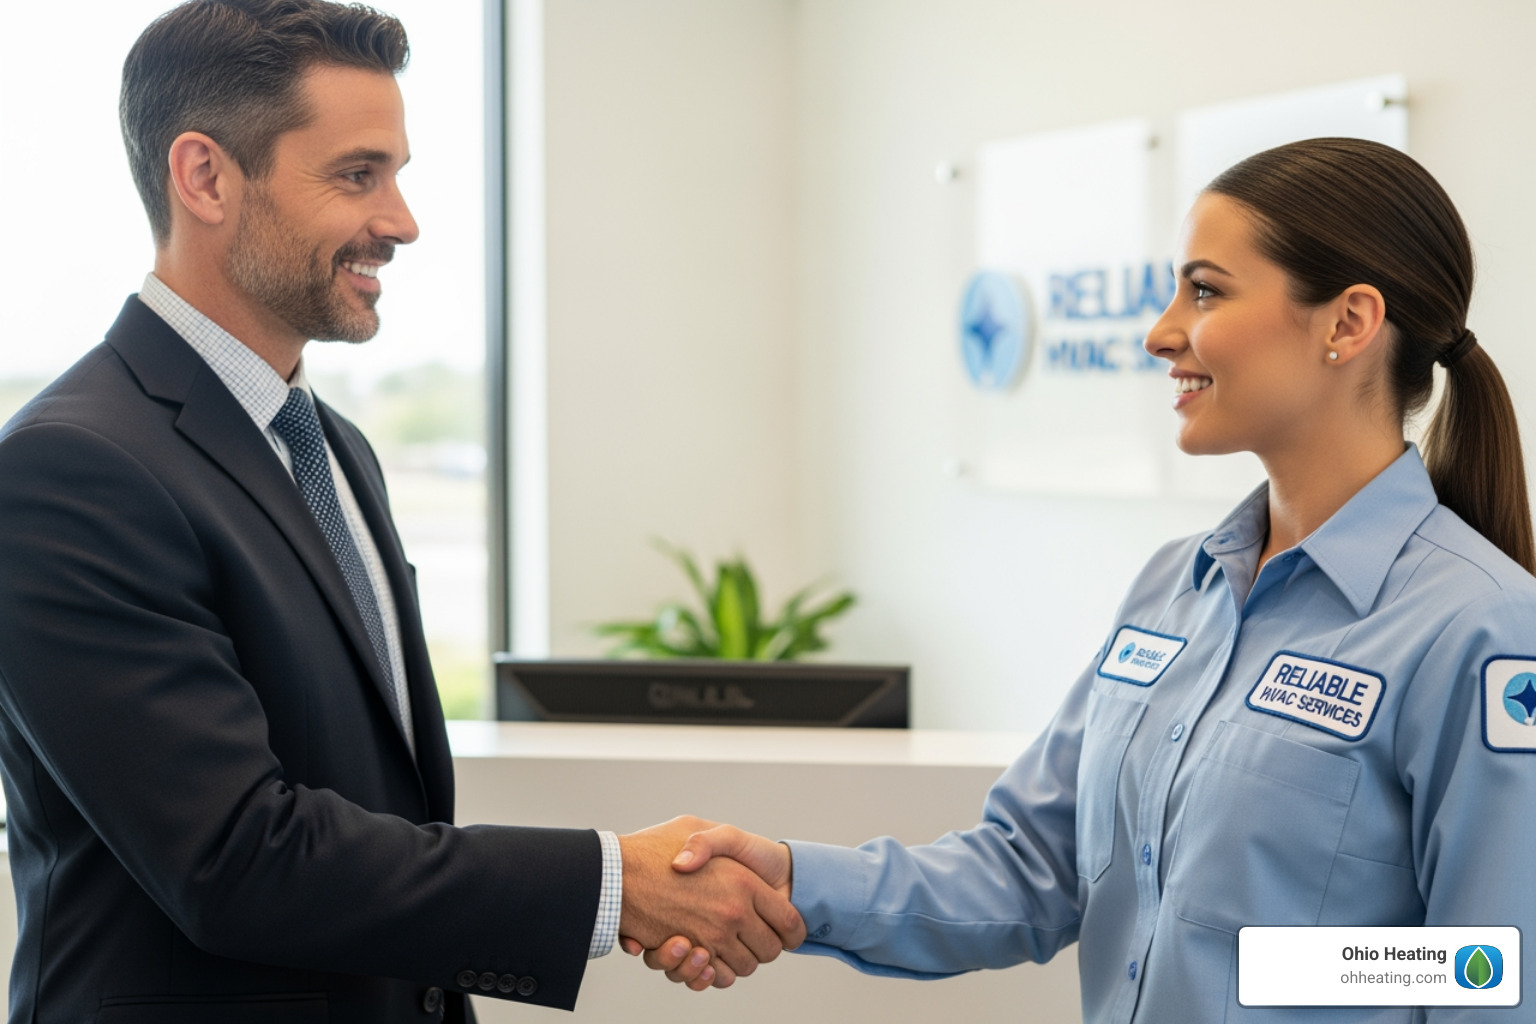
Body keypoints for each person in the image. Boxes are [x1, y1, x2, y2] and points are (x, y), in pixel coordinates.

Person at [0, 2, 799, 1021]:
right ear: (204, 176)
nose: (402, 219)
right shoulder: (71, 468)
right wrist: (614, 885)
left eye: (399, 173)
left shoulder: (332, 447)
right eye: (356, 174)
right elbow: (236, 858)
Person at [637, 138, 1536, 1021]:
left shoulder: (1484, 627)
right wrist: (791, 882)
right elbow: (1031, 868)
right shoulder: (1173, 590)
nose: (1160, 332)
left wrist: (1249, 957)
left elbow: (1488, 970)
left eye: (1206, 290)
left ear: (1347, 323)